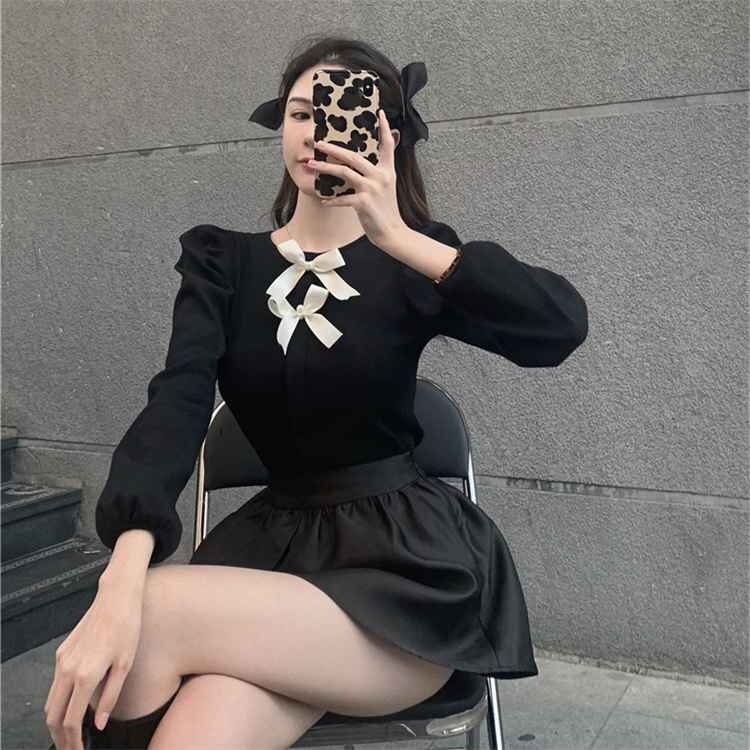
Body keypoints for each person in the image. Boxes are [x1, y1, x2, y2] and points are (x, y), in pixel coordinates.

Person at [45, 34, 588, 750]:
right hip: (272, 562)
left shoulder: (412, 258)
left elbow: (558, 327)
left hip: (404, 579)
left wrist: (398, 236)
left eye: (339, 114)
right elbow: (177, 403)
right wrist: (122, 567)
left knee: (151, 615)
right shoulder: (223, 264)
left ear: (383, 135)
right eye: (302, 112)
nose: (316, 132)